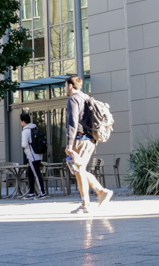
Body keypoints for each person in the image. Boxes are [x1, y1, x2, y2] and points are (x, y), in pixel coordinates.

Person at [64, 75, 113, 214]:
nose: (65, 88)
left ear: (70, 86)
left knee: (79, 171)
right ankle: (100, 191)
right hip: (91, 140)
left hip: (79, 140)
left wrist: (69, 144)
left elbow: (72, 123)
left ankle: (86, 203)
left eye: (66, 85)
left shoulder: (73, 99)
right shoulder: (86, 98)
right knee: (81, 169)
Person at [20, 112, 47, 200]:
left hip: (31, 155)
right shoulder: (35, 128)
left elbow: (24, 144)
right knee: (30, 173)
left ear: (23, 121)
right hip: (38, 154)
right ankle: (31, 193)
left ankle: (42, 193)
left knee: (36, 174)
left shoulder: (25, 131)